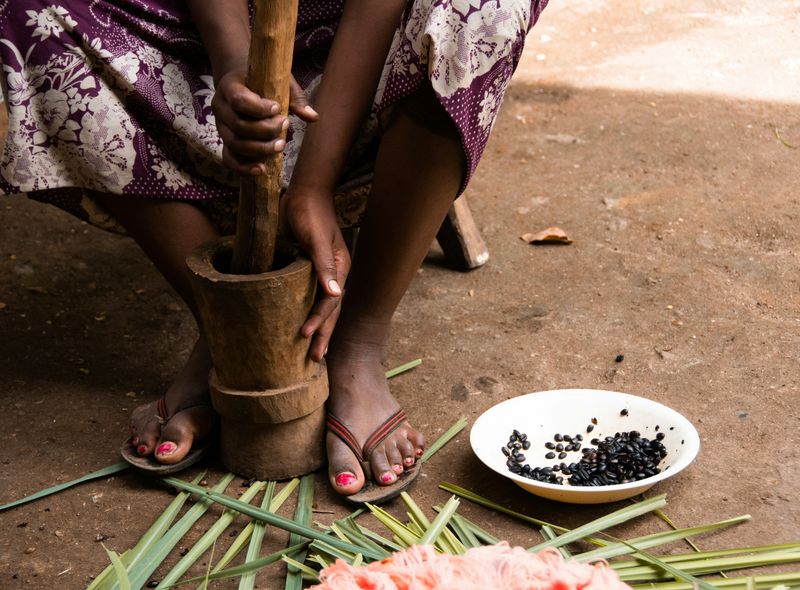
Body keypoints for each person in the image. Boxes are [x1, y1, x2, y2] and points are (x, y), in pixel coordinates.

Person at [0, 0, 549, 500]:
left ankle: (355, 344)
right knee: (34, 10)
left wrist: (311, 186)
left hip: (370, 31)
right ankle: (237, 331)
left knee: (483, 8)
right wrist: (235, 59)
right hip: (192, 25)